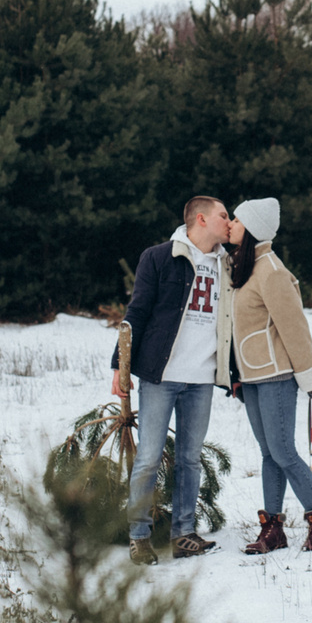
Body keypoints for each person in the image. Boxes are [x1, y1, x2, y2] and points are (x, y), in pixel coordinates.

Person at [118, 194, 234, 562]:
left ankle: (184, 533)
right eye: (223, 216)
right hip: (161, 376)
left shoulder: (226, 264)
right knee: (149, 457)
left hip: (202, 379)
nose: (228, 222)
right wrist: (118, 368)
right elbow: (136, 311)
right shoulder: (159, 257)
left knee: (189, 458)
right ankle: (139, 535)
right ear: (200, 219)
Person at [223, 196, 312, 554]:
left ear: (252, 228)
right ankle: (273, 529)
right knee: (269, 453)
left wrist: (309, 376)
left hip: (277, 375)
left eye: (236, 220)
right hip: (252, 377)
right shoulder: (244, 266)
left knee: (284, 452)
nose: (231, 225)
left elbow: (294, 327)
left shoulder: (271, 270)